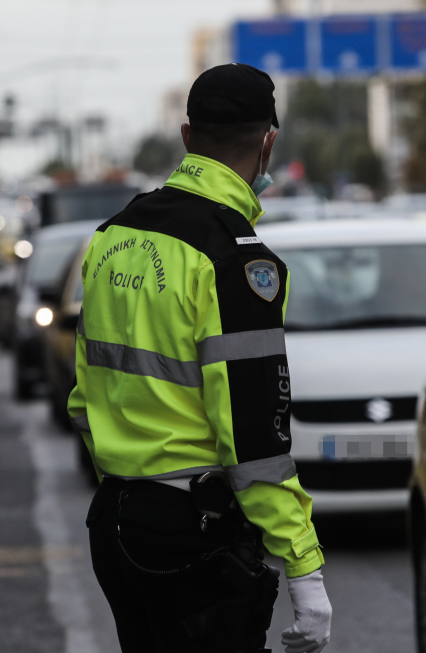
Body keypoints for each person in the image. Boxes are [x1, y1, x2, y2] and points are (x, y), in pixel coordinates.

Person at [68, 63, 332, 653]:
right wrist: (303, 566)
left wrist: (129, 475)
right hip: (192, 536)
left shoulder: (113, 236)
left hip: (114, 522)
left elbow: (84, 397)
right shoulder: (233, 259)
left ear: (187, 136)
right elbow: (254, 436)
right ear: (268, 144)